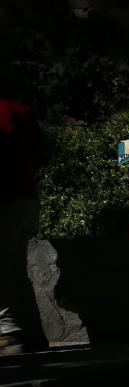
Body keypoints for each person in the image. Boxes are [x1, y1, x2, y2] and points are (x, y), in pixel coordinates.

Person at [0, 98, 48, 354]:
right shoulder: (18, 110)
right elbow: (41, 150)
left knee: (3, 269)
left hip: (4, 200)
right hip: (26, 198)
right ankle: (33, 333)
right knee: (17, 270)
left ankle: (7, 333)